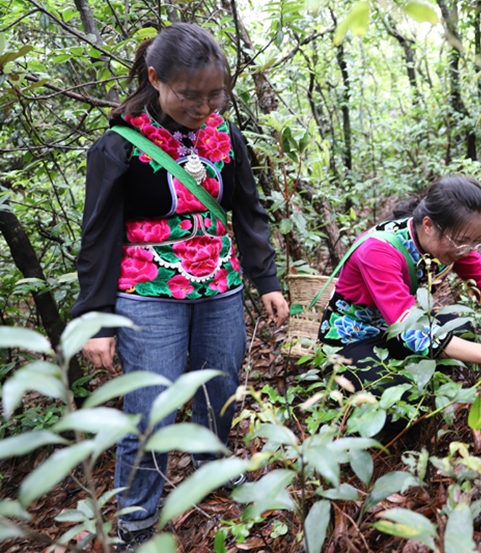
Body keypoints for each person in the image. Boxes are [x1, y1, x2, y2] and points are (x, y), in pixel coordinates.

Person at [71, 23, 288, 550]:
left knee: (220, 385)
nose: (204, 106)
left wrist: (266, 278)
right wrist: (96, 318)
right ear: (155, 79)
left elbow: (248, 210)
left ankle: (211, 466)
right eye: (191, 95)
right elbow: (99, 235)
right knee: (152, 407)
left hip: (220, 283)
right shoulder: (119, 145)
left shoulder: (224, 135)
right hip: (147, 291)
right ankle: (137, 517)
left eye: (216, 95)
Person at [318, 175, 481, 401]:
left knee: (462, 329)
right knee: (399, 396)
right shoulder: (378, 250)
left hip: (391, 331)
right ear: (428, 225)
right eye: (461, 241)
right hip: (353, 338)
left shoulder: (452, 243)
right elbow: (409, 328)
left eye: (474, 241)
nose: (467, 250)